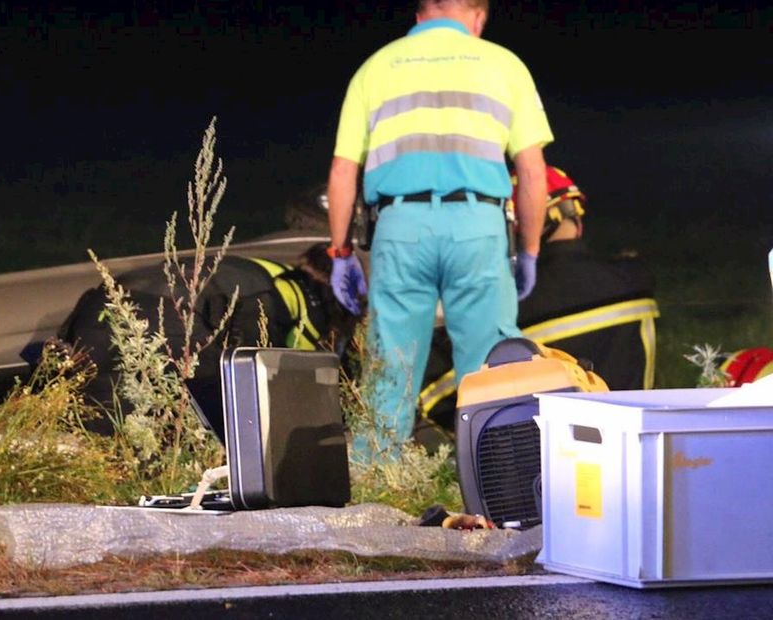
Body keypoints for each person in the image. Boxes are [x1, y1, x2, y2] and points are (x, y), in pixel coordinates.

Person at [326, 0, 553, 456]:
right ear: (479, 16)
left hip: (400, 227)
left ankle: (377, 488)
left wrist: (341, 252)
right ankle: (489, 486)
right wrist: (528, 250)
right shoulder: (503, 64)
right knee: (489, 370)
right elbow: (532, 173)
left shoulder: (377, 67)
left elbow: (342, 171)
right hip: (478, 226)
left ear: (418, 14)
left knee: (391, 366)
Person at [415, 166, 659, 444]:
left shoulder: (512, 307)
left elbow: (433, 394)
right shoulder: (634, 281)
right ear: (576, 217)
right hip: (634, 444)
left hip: (542, 463)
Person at [57, 243, 351, 435]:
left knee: (104, 428)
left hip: (98, 309)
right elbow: (280, 389)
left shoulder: (264, 270)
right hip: (167, 325)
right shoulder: (303, 305)